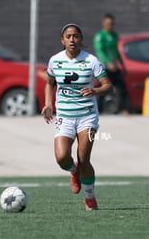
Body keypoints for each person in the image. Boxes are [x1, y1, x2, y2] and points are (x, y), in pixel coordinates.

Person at [41, 24, 112, 211]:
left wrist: (95, 90)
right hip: (64, 116)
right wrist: (48, 104)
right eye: (68, 36)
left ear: (81, 39)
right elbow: (49, 83)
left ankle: (90, 198)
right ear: (62, 40)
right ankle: (74, 172)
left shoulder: (91, 61)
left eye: (76, 36)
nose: (72, 40)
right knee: (62, 157)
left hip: (87, 117)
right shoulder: (55, 61)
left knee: (83, 157)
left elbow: (108, 86)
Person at [93, 13, 129, 114]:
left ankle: (124, 109)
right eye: (108, 23)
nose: (110, 26)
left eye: (112, 24)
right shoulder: (100, 36)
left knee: (121, 87)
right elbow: (100, 51)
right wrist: (108, 63)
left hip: (114, 67)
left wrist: (122, 64)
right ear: (104, 24)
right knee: (102, 89)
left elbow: (116, 52)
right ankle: (97, 109)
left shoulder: (114, 36)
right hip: (104, 68)